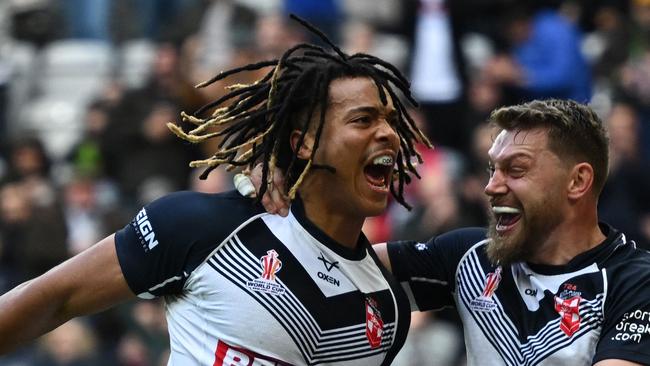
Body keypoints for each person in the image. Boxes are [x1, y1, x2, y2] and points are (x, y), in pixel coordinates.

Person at [0, 15, 433, 365]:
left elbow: (490, 259)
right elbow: (54, 298)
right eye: (363, 120)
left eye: (391, 121)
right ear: (302, 143)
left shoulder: (384, 300)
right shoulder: (203, 227)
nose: (389, 134)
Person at [250, 99, 650, 365]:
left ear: (577, 182)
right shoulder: (471, 257)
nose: (491, 186)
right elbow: (333, 263)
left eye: (516, 169)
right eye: (492, 169)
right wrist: (284, 178)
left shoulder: (634, 281)